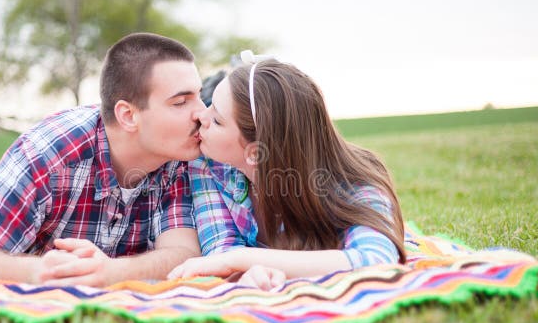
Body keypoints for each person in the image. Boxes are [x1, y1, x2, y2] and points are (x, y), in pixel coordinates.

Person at [0, 33, 206, 286]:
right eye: (181, 102)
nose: (202, 114)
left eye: (199, 96)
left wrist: (112, 272)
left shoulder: (179, 154)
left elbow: (183, 252)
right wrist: (39, 270)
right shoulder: (47, 154)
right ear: (127, 115)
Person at [168, 53, 406, 289]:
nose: (201, 115)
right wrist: (252, 270)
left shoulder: (353, 181)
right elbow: (220, 248)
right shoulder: (208, 166)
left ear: (255, 153)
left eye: (217, 120)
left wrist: (241, 259)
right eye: (210, 106)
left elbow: (376, 260)